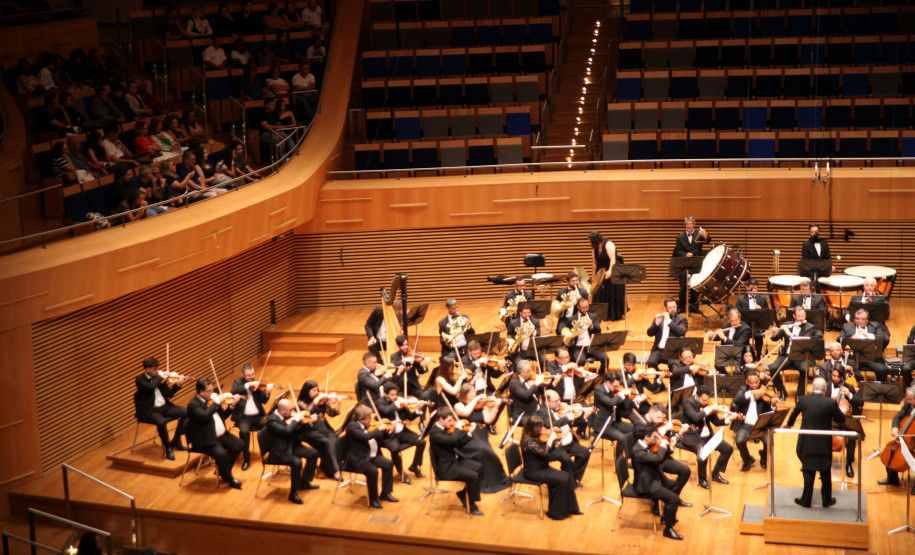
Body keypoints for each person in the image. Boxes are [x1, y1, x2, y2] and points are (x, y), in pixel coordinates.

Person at [784, 377, 846, 508]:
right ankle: (826, 500)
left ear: (813, 387)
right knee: (825, 470)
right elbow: (841, 418)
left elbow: (793, 415)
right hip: (823, 442)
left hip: (806, 441)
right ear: (825, 389)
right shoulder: (830, 403)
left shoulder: (803, 400)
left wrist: (789, 424)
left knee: (807, 469)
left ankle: (806, 500)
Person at [520, 415, 581, 520]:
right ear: (534, 428)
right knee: (561, 480)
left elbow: (547, 452)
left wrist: (559, 441)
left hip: (542, 467)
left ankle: (571, 508)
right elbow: (544, 452)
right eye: (541, 427)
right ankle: (556, 513)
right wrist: (551, 440)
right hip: (533, 472)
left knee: (566, 476)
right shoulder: (528, 441)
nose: (543, 429)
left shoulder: (536, 437)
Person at [185, 378, 244, 488]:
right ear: (201, 392)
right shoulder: (193, 405)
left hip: (221, 435)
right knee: (222, 455)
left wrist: (232, 406)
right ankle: (229, 478)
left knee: (239, 445)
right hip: (206, 438)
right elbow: (205, 417)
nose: (212, 392)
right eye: (209, 391)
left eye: (212, 390)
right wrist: (217, 402)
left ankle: (223, 470)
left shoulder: (212, 400)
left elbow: (223, 416)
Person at [453, 384, 511, 493]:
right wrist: (477, 399)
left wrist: (496, 407)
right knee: (483, 452)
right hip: (467, 437)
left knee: (491, 454)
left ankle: (498, 480)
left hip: (481, 435)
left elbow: (488, 420)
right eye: (472, 392)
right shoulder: (458, 405)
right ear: (466, 394)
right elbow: (465, 412)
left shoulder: (480, 404)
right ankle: (483, 483)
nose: (475, 393)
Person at [631, 424, 684, 540]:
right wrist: (663, 447)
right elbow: (657, 459)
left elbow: (659, 459)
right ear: (646, 437)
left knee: (675, 487)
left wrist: (670, 447)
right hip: (646, 484)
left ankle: (667, 515)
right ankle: (668, 529)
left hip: (654, 476)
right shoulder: (637, 451)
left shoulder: (646, 445)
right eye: (654, 437)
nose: (656, 439)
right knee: (674, 499)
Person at [428, 407, 484, 514]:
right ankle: (471, 505)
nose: (452, 423)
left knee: (479, 466)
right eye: (449, 421)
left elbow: (458, 444)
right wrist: (458, 429)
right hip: (446, 469)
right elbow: (453, 440)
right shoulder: (435, 433)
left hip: (453, 461)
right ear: (441, 419)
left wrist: (469, 433)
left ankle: (463, 494)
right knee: (473, 476)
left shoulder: (446, 429)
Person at [264, 398, 320, 503]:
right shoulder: (272, 421)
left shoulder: (288, 416)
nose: (293, 411)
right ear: (282, 411)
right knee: (297, 462)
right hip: (279, 451)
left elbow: (296, 430)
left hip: (292, 446)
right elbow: (286, 431)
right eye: (290, 410)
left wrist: (307, 422)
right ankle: (293, 493)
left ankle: (304, 482)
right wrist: (296, 420)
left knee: (313, 453)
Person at [678, 385, 734, 489]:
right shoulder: (688, 404)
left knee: (728, 449)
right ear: (697, 396)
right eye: (703, 400)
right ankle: (702, 479)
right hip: (692, 436)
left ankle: (715, 473)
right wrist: (708, 409)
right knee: (703, 452)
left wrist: (729, 419)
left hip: (707, 435)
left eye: (707, 400)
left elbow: (716, 422)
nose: (706, 402)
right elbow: (695, 418)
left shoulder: (709, 404)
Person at [344, 404, 398, 508]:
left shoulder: (368, 425)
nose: (370, 419)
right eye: (368, 418)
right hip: (359, 459)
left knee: (388, 464)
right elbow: (365, 437)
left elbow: (381, 438)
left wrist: (390, 429)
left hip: (371, 455)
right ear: (360, 419)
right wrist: (378, 429)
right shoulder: (352, 427)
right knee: (373, 471)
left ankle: (385, 493)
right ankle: (373, 499)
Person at [133, 357, 188, 460]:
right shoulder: (140, 379)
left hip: (164, 407)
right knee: (161, 422)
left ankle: (176, 440)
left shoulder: (159, 378)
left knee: (186, 412)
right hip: (150, 410)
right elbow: (150, 387)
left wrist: (178, 384)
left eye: (158, 369)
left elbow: (169, 394)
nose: (157, 371)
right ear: (147, 370)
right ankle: (168, 448)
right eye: (155, 369)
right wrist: (160, 377)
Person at [766, 305, 823, 400]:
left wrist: (788, 333)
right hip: (786, 355)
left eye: (803, 316)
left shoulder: (810, 327)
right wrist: (774, 333)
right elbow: (775, 338)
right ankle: (782, 391)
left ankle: (799, 395)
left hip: (801, 356)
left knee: (804, 369)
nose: (801, 318)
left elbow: (801, 340)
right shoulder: (788, 325)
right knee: (773, 368)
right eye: (799, 316)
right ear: (794, 316)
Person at [538, 390, 592, 485]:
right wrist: (566, 418)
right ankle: (570, 481)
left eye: (559, 399)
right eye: (556, 401)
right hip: (556, 446)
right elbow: (551, 425)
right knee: (567, 460)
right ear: (547, 402)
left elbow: (573, 423)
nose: (559, 403)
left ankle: (573, 477)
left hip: (568, 441)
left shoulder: (560, 409)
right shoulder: (542, 412)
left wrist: (585, 417)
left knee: (585, 453)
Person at [377, 382, 427, 484]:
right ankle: (401, 473)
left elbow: (410, 417)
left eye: (396, 394)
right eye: (392, 395)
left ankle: (414, 466)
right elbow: (385, 411)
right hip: (389, 435)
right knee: (395, 449)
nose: (395, 397)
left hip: (402, 432)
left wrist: (418, 409)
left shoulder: (400, 402)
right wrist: (396, 404)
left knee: (421, 441)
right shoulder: (380, 403)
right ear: (385, 394)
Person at [730, 371, 778, 471]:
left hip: (761, 425)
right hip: (746, 425)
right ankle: (747, 459)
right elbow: (736, 400)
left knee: (769, 442)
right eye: (752, 383)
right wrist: (751, 392)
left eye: (757, 382)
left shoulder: (764, 390)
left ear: (759, 380)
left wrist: (773, 405)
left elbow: (772, 410)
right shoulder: (743, 389)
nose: (755, 385)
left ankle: (763, 458)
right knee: (739, 440)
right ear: (747, 382)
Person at [296, 379, 343, 480]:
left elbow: (332, 413)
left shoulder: (322, 401)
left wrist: (339, 403)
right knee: (326, 442)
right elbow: (307, 411)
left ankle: (326, 467)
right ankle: (336, 471)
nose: (317, 392)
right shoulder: (301, 402)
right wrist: (316, 401)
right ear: (307, 391)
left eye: (317, 390)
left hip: (324, 428)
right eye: (313, 390)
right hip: (309, 430)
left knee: (334, 440)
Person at [229, 363, 272, 470]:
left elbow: (264, 401)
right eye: (248, 375)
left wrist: (267, 392)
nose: (251, 377)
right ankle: (246, 460)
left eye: (253, 374)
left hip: (258, 416)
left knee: (273, 425)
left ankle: (271, 453)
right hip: (244, 417)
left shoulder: (257, 383)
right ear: (242, 374)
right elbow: (233, 391)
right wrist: (248, 385)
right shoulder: (238, 382)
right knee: (244, 432)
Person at [643, 403, 691, 498]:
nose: (661, 421)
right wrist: (664, 429)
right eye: (658, 417)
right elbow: (650, 438)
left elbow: (669, 441)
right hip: (649, 460)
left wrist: (679, 434)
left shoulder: (660, 424)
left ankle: (673, 496)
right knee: (660, 479)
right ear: (651, 413)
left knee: (686, 471)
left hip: (662, 456)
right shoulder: (641, 423)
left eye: (662, 418)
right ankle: (660, 500)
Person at [547, 347, 598, 436]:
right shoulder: (551, 365)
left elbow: (581, 382)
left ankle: (581, 431)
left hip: (575, 397)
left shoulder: (573, 365)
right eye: (564, 358)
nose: (567, 359)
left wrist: (587, 378)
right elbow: (552, 376)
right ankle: (567, 429)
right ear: (557, 358)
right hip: (561, 400)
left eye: (568, 357)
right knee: (567, 415)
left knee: (588, 409)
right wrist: (566, 367)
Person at [593, 371, 642, 459]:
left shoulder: (616, 391)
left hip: (614, 422)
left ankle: (632, 458)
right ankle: (619, 461)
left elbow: (625, 407)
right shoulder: (599, 391)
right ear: (608, 383)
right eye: (615, 386)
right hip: (603, 424)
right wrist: (621, 395)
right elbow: (611, 403)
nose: (618, 388)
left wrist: (635, 401)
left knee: (636, 429)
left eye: (618, 386)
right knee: (623, 439)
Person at [878, 384, 915, 495]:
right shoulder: (907, 404)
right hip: (906, 438)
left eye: (910, 399)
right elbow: (898, 417)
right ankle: (892, 478)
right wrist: (895, 427)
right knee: (892, 450)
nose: (907, 401)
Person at [827, 367, 863, 478]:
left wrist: (849, 395)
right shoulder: (826, 386)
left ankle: (849, 464)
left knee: (851, 438)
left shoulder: (849, 387)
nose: (835, 378)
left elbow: (861, 402)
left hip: (844, 421)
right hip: (828, 420)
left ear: (842, 377)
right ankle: (821, 462)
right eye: (833, 376)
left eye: (838, 376)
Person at [838, 309, 891, 382]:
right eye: (857, 318)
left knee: (882, 369)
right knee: (845, 368)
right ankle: (852, 385)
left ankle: (880, 387)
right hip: (853, 358)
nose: (860, 321)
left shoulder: (875, 326)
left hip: (872, 358)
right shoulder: (847, 326)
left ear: (867, 320)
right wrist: (850, 338)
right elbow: (839, 339)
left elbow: (885, 338)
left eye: (862, 319)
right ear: (854, 319)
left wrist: (869, 335)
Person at [557, 298, 606, 373]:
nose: (585, 309)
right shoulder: (572, 319)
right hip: (579, 347)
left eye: (587, 307)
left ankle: (601, 376)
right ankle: (581, 377)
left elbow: (598, 330)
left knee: (605, 358)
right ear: (578, 307)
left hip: (592, 346)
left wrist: (592, 326)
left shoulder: (593, 316)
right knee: (580, 361)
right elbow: (568, 335)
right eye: (583, 307)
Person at [673, 216, 710, 312]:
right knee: (683, 287)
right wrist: (685, 254)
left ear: (694, 224)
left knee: (695, 287)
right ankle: (682, 306)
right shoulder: (680, 237)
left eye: (691, 224)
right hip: (684, 265)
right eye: (687, 224)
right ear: (685, 225)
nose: (689, 226)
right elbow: (677, 251)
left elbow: (708, 241)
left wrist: (706, 235)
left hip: (696, 265)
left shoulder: (699, 234)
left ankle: (694, 306)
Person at [508, 359, 558, 425]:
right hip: (524, 414)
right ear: (522, 372)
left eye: (531, 369)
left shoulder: (531, 379)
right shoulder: (514, 383)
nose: (532, 372)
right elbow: (525, 395)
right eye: (529, 371)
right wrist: (536, 384)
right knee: (543, 422)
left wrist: (554, 383)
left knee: (554, 417)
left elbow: (543, 392)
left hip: (536, 410)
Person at [589, 230, 625, 320]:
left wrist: (610, 271)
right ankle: (601, 314)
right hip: (601, 271)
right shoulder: (594, 248)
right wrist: (593, 277)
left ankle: (613, 314)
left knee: (611, 292)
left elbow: (613, 259)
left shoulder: (609, 244)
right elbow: (594, 264)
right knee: (599, 290)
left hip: (611, 268)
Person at [646, 298, 688, 372]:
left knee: (674, 367)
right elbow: (649, 333)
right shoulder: (660, 319)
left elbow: (681, 331)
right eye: (670, 307)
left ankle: (673, 379)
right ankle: (659, 378)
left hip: (673, 352)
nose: (673, 309)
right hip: (659, 350)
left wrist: (669, 321)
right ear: (665, 308)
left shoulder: (682, 319)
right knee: (650, 362)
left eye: (674, 307)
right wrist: (656, 323)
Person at [706, 308, 751, 373]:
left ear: (740, 318)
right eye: (732, 321)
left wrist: (725, 338)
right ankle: (726, 376)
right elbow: (719, 337)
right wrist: (712, 336)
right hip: (726, 352)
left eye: (736, 320)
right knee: (718, 365)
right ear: (729, 320)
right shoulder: (725, 325)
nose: (735, 323)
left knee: (737, 371)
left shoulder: (746, 329)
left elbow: (739, 344)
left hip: (740, 354)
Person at [736, 278, 771, 358]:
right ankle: (747, 355)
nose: (754, 290)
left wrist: (761, 310)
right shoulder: (740, 299)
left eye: (756, 288)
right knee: (744, 337)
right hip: (745, 326)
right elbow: (736, 312)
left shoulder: (762, 299)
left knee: (759, 336)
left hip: (757, 327)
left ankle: (758, 356)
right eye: (752, 288)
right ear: (747, 287)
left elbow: (767, 314)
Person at [389, 334, 430, 399]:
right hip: (401, 386)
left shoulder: (412, 355)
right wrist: (404, 360)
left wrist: (425, 365)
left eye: (406, 344)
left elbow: (420, 371)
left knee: (424, 397)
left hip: (413, 385)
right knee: (398, 400)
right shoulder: (394, 356)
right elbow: (393, 366)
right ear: (398, 346)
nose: (406, 347)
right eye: (403, 345)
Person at [506, 303, 543, 368]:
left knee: (544, 360)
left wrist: (534, 331)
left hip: (533, 351)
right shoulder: (513, 323)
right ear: (520, 313)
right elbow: (509, 337)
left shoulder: (535, 321)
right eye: (525, 313)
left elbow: (539, 338)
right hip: (520, 352)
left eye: (529, 312)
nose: (527, 315)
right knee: (520, 365)